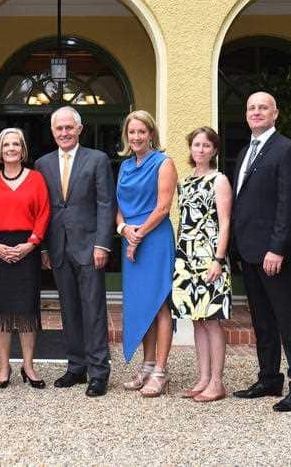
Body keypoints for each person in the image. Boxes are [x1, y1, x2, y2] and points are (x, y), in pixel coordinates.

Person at [231, 91, 291, 412]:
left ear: (275, 113)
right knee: (262, 320)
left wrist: (277, 248)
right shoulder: (244, 152)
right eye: (251, 108)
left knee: (289, 320)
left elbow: (288, 203)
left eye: (263, 107)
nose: (256, 112)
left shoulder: (287, 149)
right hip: (249, 252)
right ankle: (269, 378)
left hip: (274, 254)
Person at [36, 106, 116, 397]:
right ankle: (76, 367)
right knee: (68, 309)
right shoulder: (42, 163)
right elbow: (42, 209)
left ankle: (99, 372)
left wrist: (102, 244)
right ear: (52, 131)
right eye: (59, 128)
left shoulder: (97, 159)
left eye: (69, 127)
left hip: (90, 247)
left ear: (79, 129)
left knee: (93, 310)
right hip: (58, 247)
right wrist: (44, 247)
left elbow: (106, 203)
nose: (64, 133)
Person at [0, 128, 50, 389]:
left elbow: (44, 213)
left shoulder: (36, 179)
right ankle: (3, 366)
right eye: (6, 144)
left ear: (22, 150)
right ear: (0, 150)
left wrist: (32, 244)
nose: (11, 148)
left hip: (27, 247)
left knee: (27, 310)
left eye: (16, 144)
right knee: (1, 311)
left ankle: (28, 366)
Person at [115, 111, 177, 398]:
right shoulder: (125, 166)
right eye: (132, 132)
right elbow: (119, 207)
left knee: (159, 303)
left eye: (142, 132)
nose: (136, 137)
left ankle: (160, 372)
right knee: (143, 305)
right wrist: (124, 229)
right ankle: (147, 365)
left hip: (154, 240)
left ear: (151, 134)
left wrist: (138, 236)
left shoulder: (164, 163)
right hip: (131, 239)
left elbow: (163, 207)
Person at [171, 127, 232, 402]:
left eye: (207, 145)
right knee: (197, 320)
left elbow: (225, 222)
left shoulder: (219, 180)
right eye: (196, 144)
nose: (201, 149)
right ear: (190, 148)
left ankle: (217, 382)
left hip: (210, 258)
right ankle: (203, 377)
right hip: (187, 258)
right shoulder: (184, 182)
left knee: (212, 320)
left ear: (214, 150)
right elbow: (184, 222)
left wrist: (218, 259)